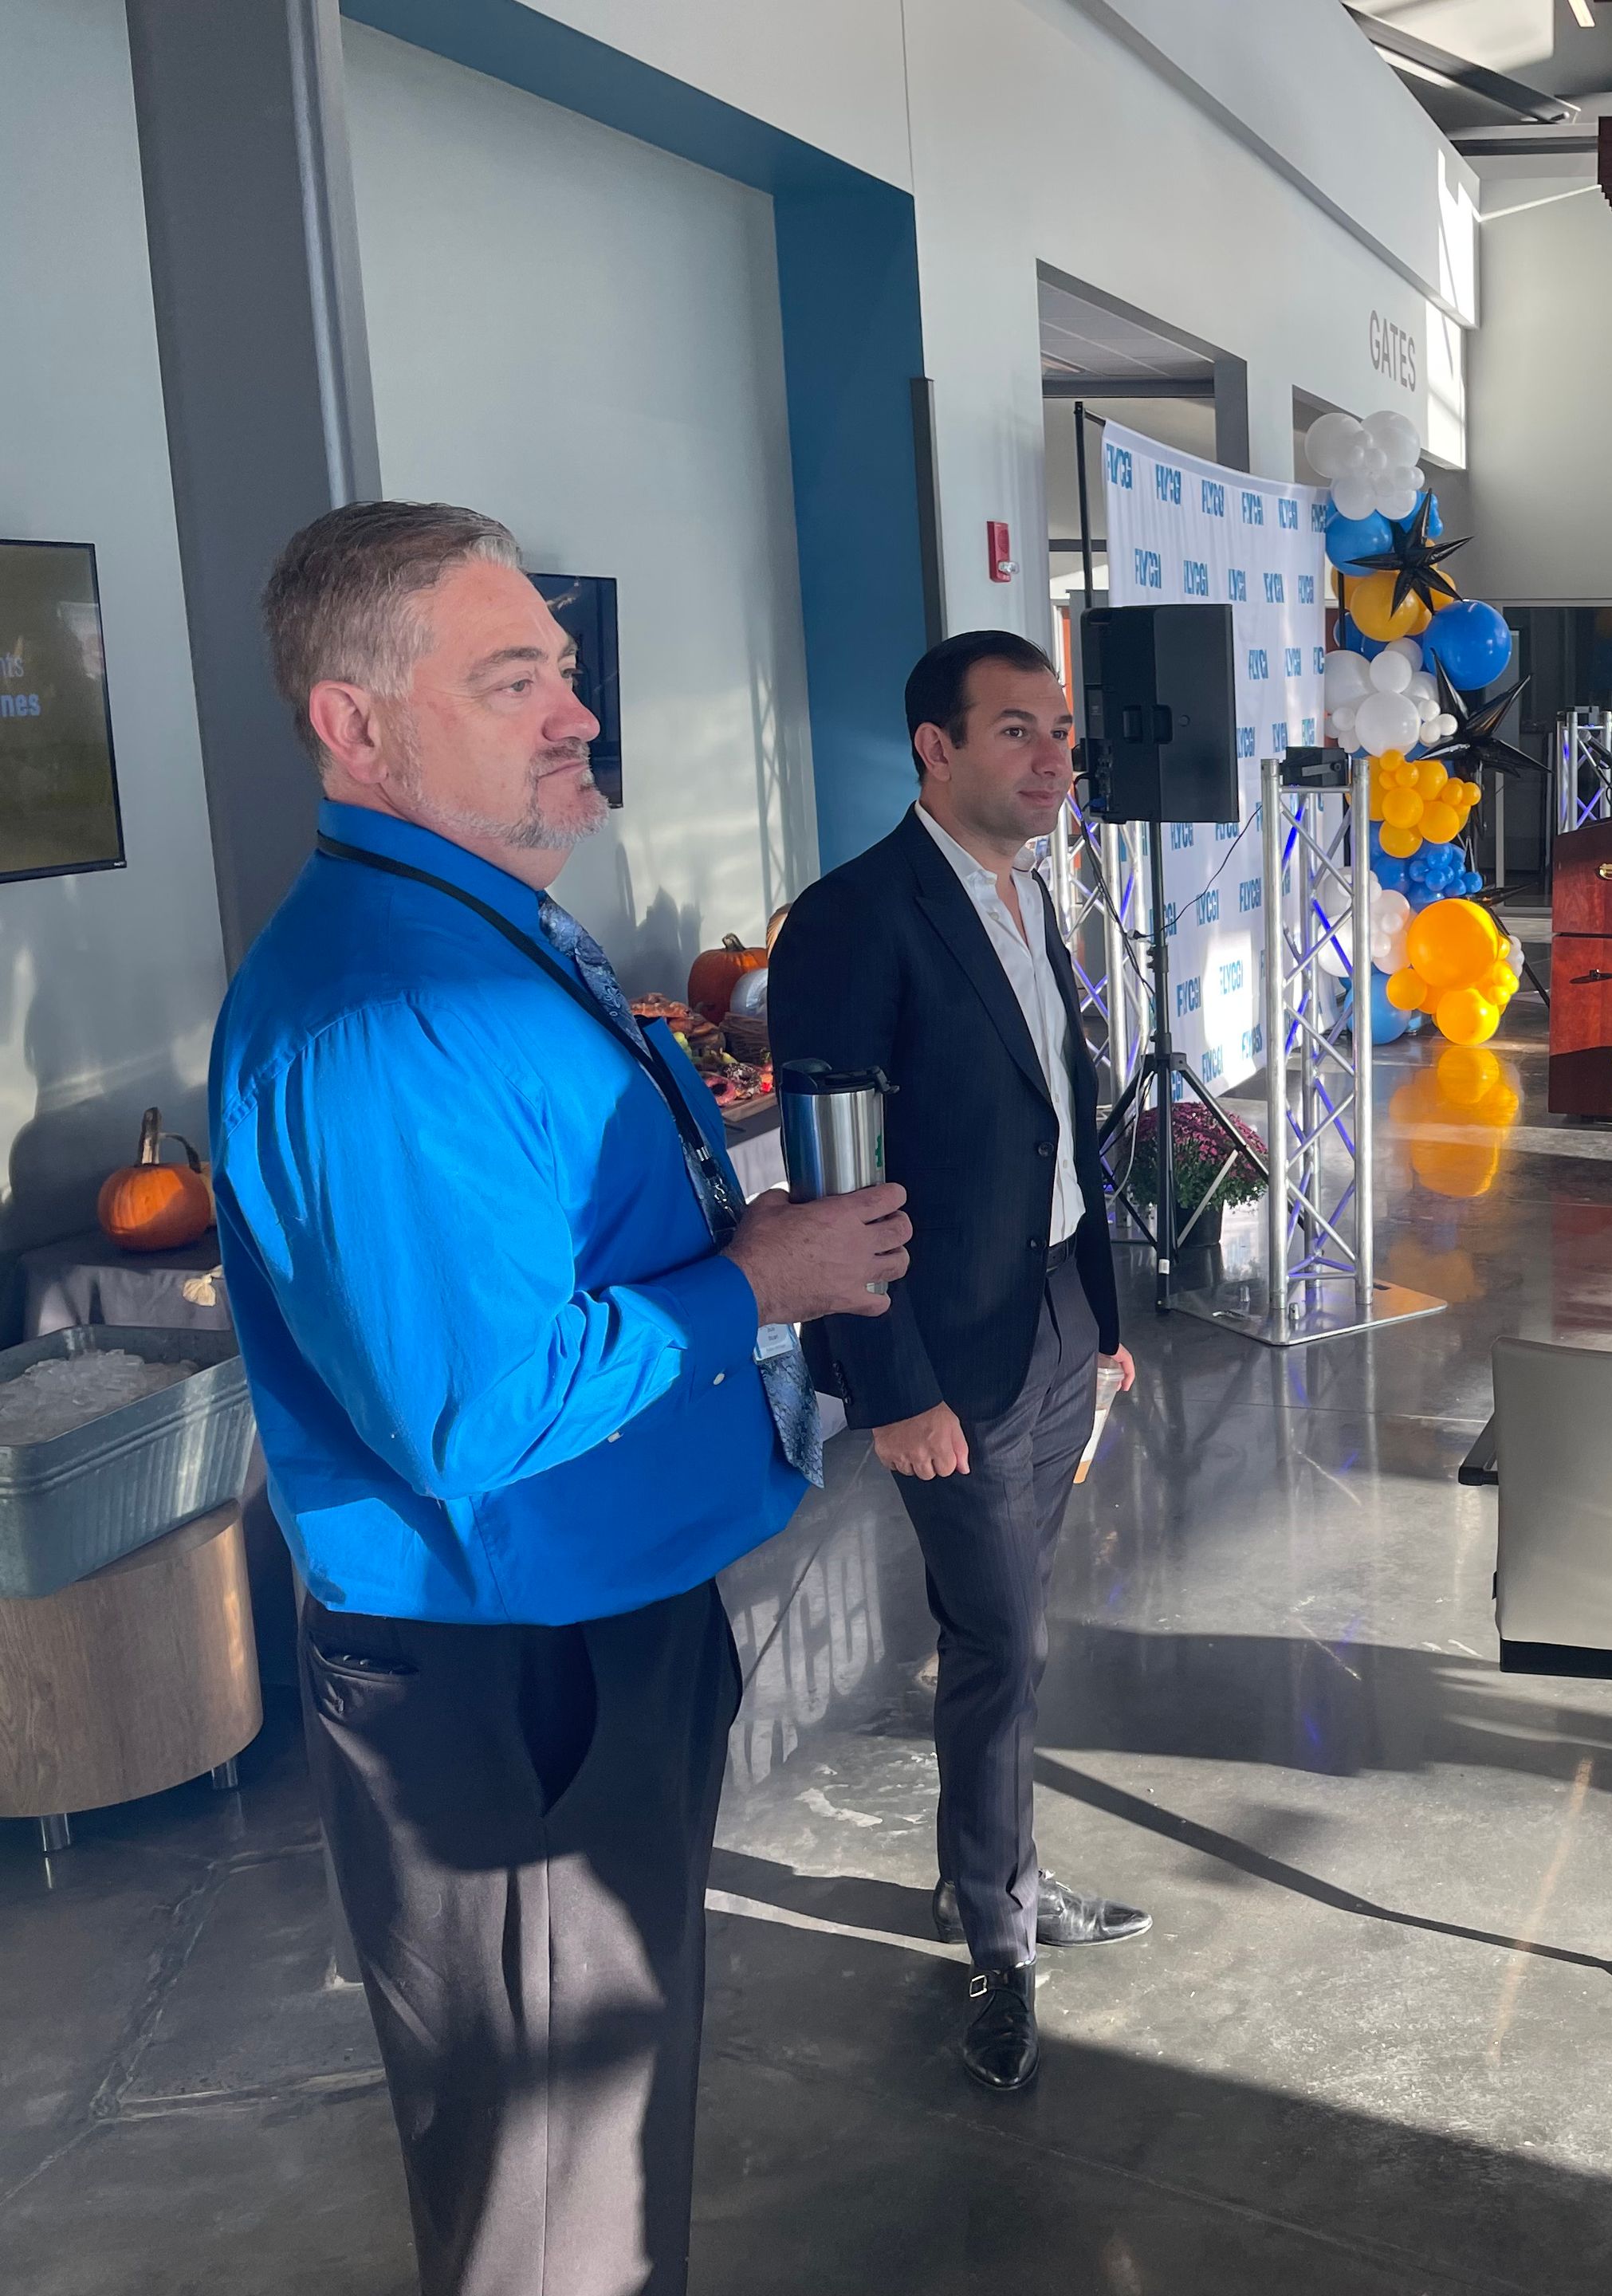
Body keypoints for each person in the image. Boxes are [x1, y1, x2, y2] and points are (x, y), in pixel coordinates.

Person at [212, 501, 910, 2296]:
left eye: (568, 676)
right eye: (511, 681)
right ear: (353, 728)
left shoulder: (494, 934)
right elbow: (471, 1415)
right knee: (552, 2204)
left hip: (603, 1626)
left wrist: (722, 1243)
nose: (576, 717)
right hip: (505, 1687)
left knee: (604, 2154)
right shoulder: (387, 1011)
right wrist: (755, 1284)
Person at [769, 631, 1146, 2097]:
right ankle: (993, 1919)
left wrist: (1102, 1323)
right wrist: (896, 1388)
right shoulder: (856, 921)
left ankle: (1003, 1873)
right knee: (1002, 1638)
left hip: (1051, 1313)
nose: (1054, 757)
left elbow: (1058, 1126)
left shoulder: (1027, 896)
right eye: (1016, 731)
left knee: (1017, 1622)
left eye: (1060, 731)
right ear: (933, 748)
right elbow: (831, 1199)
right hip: (948, 1351)